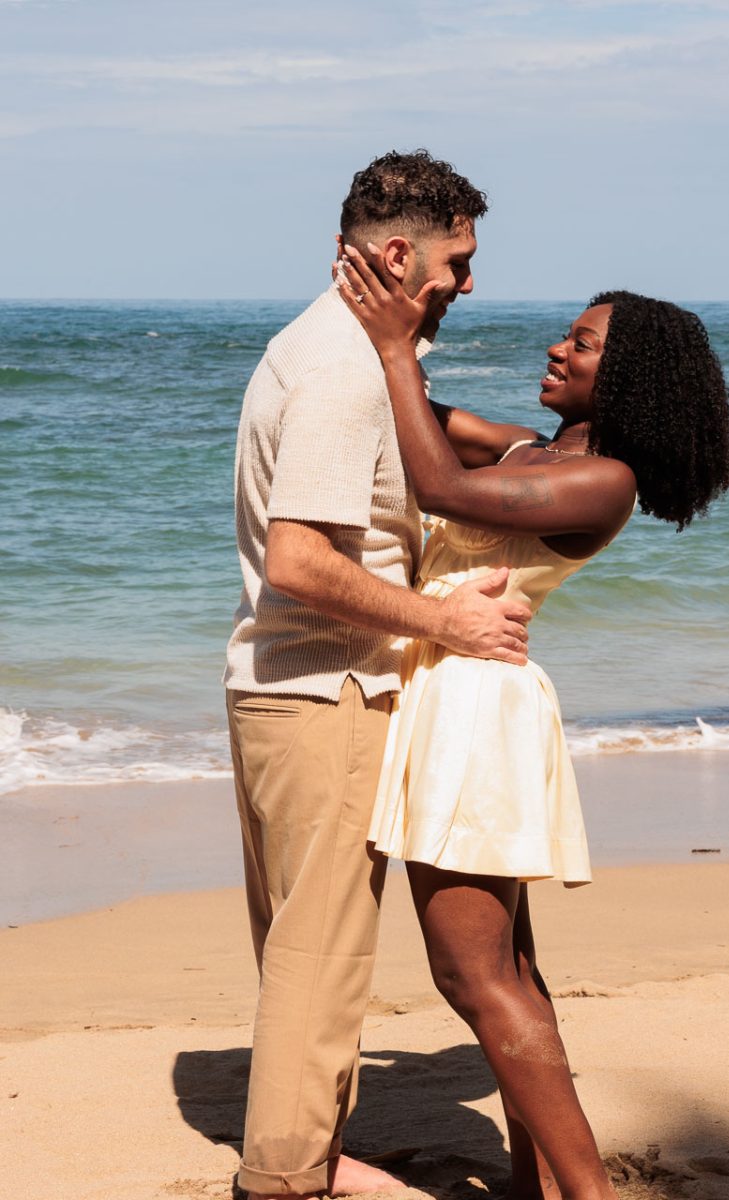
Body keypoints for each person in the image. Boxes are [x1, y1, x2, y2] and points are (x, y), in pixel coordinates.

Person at [338, 245, 729, 1200]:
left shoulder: (604, 481)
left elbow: (441, 487)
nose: (560, 347)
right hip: (460, 698)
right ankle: (534, 1184)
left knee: (473, 979)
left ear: (629, 374)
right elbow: (427, 429)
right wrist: (384, 330)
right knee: (509, 967)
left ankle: (588, 1194)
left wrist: (398, 350)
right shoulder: (534, 449)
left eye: (584, 342)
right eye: (569, 332)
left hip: (477, 713)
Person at [224, 150, 535, 1200]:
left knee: (301, 953)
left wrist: (536, 448)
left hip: (288, 691)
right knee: (320, 961)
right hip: (328, 698)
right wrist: (442, 621)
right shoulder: (340, 369)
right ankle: (285, 1181)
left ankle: (311, 1154)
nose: (466, 283)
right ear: (399, 253)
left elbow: (424, 440)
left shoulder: (330, 347)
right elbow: (301, 560)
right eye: (457, 259)